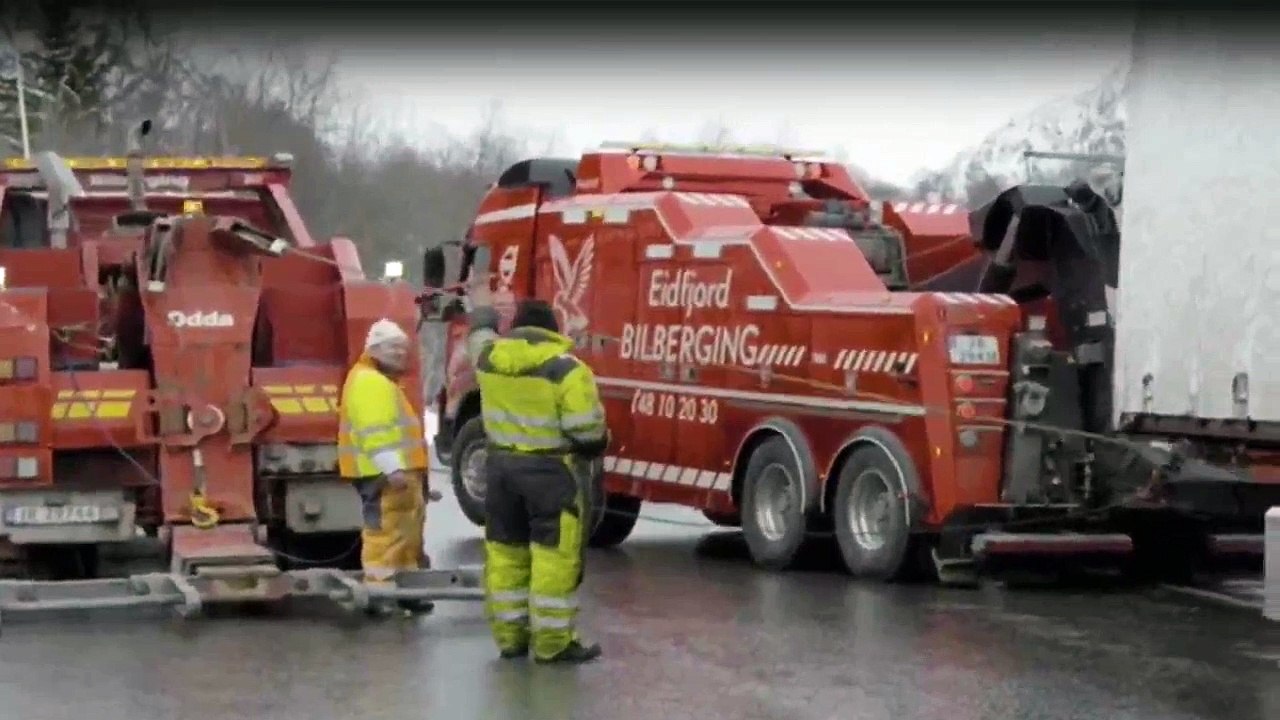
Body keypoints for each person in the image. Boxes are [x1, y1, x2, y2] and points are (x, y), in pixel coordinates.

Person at [466, 279, 609, 664]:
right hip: (549, 475)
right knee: (553, 558)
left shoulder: (490, 359)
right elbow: (587, 432)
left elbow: (478, 335)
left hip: (500, 472)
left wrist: (482, 308)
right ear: (553, 330)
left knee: (506, 553)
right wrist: (596, 446)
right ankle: (552, 644)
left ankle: (510, 638)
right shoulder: (567, 370)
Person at [337, 318, 436, 616]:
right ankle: (379, 593)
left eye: (403, 349)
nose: (400, 355)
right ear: (375, 350)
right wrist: (391, 468)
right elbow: (374, 431)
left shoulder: (378, 381)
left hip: (396, 475)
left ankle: (406, 590)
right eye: (393, 349)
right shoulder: (371, 382)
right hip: (384, 475)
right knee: (386, 535)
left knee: (404, 534)